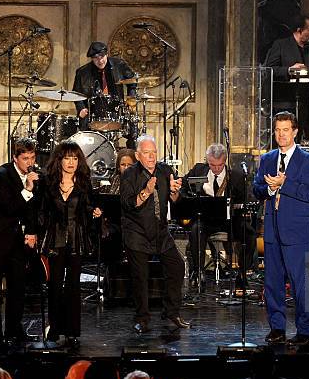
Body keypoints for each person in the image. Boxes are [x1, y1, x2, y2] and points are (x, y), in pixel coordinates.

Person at [253, 111, 309, 346]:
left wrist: (284, 183)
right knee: (273, 283)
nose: (280, 135)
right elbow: (257, 187)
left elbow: (308, 193)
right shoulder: (267, 158)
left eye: (285, 130)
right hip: (272, 230)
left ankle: (306, 331)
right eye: (277, 130)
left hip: (296, 232)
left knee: (301, 285)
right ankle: (277, 328)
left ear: (294, 132)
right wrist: (269, 190)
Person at [120, 135, 190, 333]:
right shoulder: (130, 175)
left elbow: (175, 200)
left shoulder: (164, 170)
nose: (151, 157)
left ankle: (172, 312)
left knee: (177, 265)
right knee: (141, 276)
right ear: (138, 155)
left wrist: (175, 191)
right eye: (147, 153)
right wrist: (145, 192)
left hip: (160, 230)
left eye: (154, 153)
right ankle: (142, 318)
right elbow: (127, 204)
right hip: (137, 231)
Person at [40, 140, 102, 348]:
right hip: (55, 240)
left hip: (77, 239)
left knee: (73, 287)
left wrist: (95, 213)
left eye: (75, 158)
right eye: (67, 158)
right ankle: (55, 329)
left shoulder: (84, 182)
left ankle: (73, 331)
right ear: (59, 160)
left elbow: (89, 207)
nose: (71, 162)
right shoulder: (48, 182)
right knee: (55, 285)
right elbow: (42, 212)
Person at [0, 137, 39, 352]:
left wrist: (32, 231)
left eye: (32, 157)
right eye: (25, 158)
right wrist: (27, 189)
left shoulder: (31, 176)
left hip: (16, 240)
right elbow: (9, 207)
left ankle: (14, 329)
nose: (30, 162)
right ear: (15, 158)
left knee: (18, 286)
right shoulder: (1, 176)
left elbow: (32, 208)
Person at [180, 143, 257, 288]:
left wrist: (237, 208)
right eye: (212, 165)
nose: (216, 169)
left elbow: (245, 199)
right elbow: (184, 186)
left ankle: (242, 273)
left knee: (250, 233)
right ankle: (198, 272)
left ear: (225, 160)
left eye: (220, 165)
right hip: (206, 220)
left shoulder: (236, 177)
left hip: (230, 220)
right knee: (196, 230)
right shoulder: (198, 170)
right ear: (207, 161)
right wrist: (191, 200)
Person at [72, 41, 137, 145]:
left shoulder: (119, 65)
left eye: (102, 56)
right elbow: (76, 93)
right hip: (93, 111)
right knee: (86, 139)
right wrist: (81, 108)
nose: (100, 60)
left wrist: (131, 99)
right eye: (96, 58)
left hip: (116, 109)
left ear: (107, 54)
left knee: (133, 131)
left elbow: (132, 81)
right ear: (92, 58)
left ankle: (131, 156)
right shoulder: (82, 72)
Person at [264, 14, 309, 81]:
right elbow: (269, 69)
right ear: (299, 30)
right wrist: (289, 70)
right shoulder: (281, 45)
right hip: (287, 89)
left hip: (308, 89)